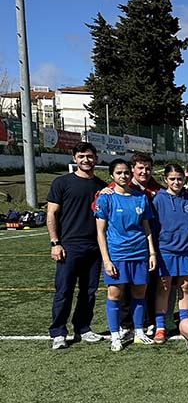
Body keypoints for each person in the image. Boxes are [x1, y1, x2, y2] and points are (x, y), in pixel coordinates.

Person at [46, 142, 108, 349]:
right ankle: (58, 332)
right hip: (69, 246)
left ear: (96, 159)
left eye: (89, 156)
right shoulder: (62, 183)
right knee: (64, 290)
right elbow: (51, 214)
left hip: (94, 247)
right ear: (75, 159)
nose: (86, 160)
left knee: (89, 291)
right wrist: (56, 243)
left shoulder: (102, 187)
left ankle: (83, 327)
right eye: (81, 156)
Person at [94, 159, 157, 351]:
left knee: (139, 293)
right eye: (119, 173)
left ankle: (139, 332)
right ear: (112, 175)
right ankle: (115, 335)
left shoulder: (140, 197)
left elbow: (147, 229)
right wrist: (106, 259)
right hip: (117, 254)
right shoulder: (106, 198)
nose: (123, 176)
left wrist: (152, 253)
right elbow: (100, 232)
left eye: (126, 173)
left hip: (139, 253)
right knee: (115, 294)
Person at [151, 164, 188, 345]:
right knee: (164, 288)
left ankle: (184, 324)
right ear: (166, 180)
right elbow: (153, 228)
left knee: (185, 287)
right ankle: (160, 327)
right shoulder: (158, 199)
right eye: (172, 179)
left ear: (184, 178)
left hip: (187, 250)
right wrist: (154, 252)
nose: (176, 182)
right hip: (165, 251)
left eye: (179, 178)